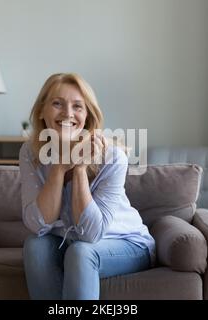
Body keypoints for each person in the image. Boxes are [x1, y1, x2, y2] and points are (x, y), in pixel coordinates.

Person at [20, 73, 155, 300]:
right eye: (57, 103)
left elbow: (90, 234)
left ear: (87, 116)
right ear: (42, 111)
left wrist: (80, 168)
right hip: (71, 242)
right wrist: (60, 168)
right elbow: (38, 225)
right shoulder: (30, 153)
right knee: (35, 246)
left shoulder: (112, 156)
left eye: (77, 106)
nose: (68, 113)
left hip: (126, 243)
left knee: (81, 252)